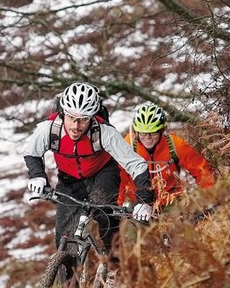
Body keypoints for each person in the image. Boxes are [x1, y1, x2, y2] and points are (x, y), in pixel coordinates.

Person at [23, 83, 155, 253]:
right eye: (71, 118)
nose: (76, 126)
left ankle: (115, 264)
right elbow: (31, 153)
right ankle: (67, 275)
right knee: (63, 237)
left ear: (92, 117)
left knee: (105, 214)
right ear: (63, 113)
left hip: (103, 173)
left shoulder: (104, 132)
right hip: (69, 180)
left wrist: (144, 200)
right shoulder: (48, 129)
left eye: (84, 119)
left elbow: (136, 164)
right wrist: (37, 175)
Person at [118, 102, 215, 212]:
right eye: (143, 133)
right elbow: (119, 179)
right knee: (130, 228)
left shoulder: (176, 145)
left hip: (170, 200)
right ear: (136, 132)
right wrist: (117, 205)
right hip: (138, 201)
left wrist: (211, 197)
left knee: (179, 226)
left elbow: (202, 170)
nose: (148, 138)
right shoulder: (128, 146)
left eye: (153, 133)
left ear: (161, 130)